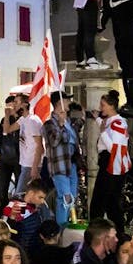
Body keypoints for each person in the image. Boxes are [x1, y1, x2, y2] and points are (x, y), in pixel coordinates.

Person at [91, 90, 131, 236]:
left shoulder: (119, 123)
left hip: (112, 163)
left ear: (112, 106)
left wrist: (102, 132)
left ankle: (105, 233)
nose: (101, 108)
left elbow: (113, 147)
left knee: (104, 202)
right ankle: (111, 232)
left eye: (103, 105)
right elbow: (106, 126)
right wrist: (97, 120)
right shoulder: (111, 121)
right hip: (107, 162)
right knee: (107, 202)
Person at [42, 90, 79, 226]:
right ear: (60, 103)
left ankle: (68, 223)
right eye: (66, 100)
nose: (69, 102)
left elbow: (74, 140)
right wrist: (61, 125)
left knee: (72, 198)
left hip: (71, 165)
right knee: (65, 198)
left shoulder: (69, 121)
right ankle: (61, 228)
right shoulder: (49, 124)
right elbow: (53, 141)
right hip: (59, 167)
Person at [3, 94, 43, 196]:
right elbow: (7, 130)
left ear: (24, 104)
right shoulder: (23, 120)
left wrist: (34, 167)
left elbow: (40, 146)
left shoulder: (33, 121)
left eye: (16, 102)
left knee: (18, 195)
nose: (14, 105)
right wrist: (7, 116)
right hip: (25, 164)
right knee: (31, 195)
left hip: (31, 165)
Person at [7, 178, 54, 259]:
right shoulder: (14, 205)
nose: (42, 201)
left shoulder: (42, 207)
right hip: (21, 250)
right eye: (40, 197)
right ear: (31, 193)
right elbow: (8, 229)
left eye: (43, 198)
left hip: (37, 250)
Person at [0, 96, 22, 199]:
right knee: (2, 187)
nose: (9, 108)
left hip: (18, 158)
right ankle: (4, 208)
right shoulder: (5, 119)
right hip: (5, 158)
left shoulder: (21, 119)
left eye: (11, 105)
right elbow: (1, 134)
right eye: (7, 106)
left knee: (19, 186)